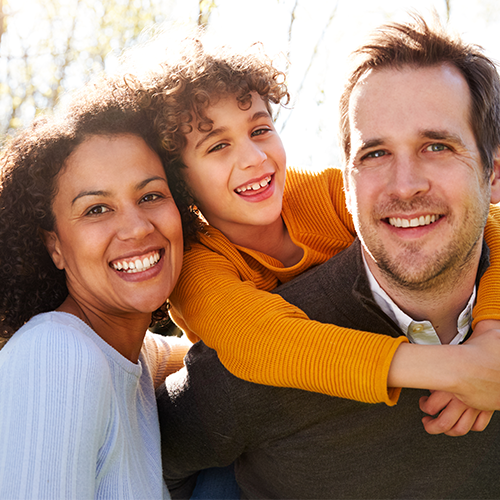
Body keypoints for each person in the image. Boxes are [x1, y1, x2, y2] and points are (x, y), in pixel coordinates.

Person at [156, 16, 500, 499]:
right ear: (179, 181)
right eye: (218, 146)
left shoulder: (328, 193)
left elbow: (488, 223)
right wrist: (460, 371)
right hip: (246, 441)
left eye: (260, 129)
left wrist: (490, 331)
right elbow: (265, 343)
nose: (254, 158)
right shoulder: (196, 266)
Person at [0, 77, 191, 498]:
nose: (138, 227)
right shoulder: (55, 354)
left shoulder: (130, 354)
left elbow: (206, 352)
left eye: (151, 196)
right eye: (97, 209)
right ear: (54, 247)